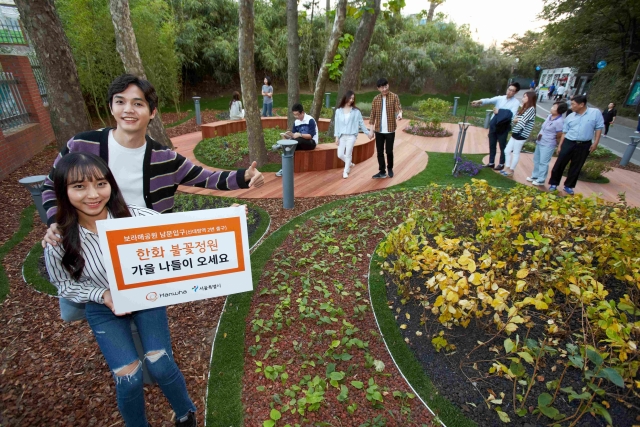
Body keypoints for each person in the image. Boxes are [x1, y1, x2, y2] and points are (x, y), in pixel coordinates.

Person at [42, 74, 264, 322]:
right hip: (90, 251)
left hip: (141, 253)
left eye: (138, 103)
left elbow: (207, 178)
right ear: (111, 107)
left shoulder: (164, 158)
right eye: (120, 102)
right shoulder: (82, 145)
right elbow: (51, 186)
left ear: (152, 112)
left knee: (142, 320)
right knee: (87, 311)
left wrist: (246, 175)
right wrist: (55, 221)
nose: (128, 110)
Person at [44, 152, 197, 427]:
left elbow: (182, 232)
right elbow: (64, 284)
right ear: (63, 191)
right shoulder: (58, 239)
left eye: (101, 183)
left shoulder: (135, 217)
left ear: (111, 185)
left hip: (145, 297)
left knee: (160, 363)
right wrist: (101, 295)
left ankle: (186, 413)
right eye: (79, 186)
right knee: (129, 378)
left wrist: (227, 221)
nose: (93, 194)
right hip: (102, 307)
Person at [548, 95, 604, 195]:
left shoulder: (595, 113)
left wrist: (596, 143)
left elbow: (599, 128)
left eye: (573, 104)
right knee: (560, 163)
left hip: (584, 144)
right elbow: (565, 132)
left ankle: (568, 186)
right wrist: (560, 145)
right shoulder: (570, 116)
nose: (571, 107)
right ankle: (553, 183)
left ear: (582, 104)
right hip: (569, 142)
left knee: (577, 166)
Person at [471, 82, 521, 170]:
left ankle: (501, 163)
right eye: (509, 89)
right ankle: (491, 162)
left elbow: (511, 115)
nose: (510, 92)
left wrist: (499, 112)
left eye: (512, 91)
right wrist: (479, 101)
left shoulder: (516, 103)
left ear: (515, 93)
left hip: (503, 127)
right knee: (492, 144)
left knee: (502, 146)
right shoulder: (500, 98)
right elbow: (489, 100)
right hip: (494, 124)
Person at [334, 90, 374, 179]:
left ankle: (345, 171)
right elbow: (337, 125)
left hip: (351, 136)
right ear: (345, 98)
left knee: (348, 154)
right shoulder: (338, 111)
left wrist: (368, 133)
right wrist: (336, 137)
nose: (351, 100)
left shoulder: (356, 112)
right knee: (340, 154)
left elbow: (362, 124)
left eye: (353, 98)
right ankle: (349, 163)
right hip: (341, 136)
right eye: (350, 98)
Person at [527, 101, 568, 186]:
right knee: (536, 159)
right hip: (540, 141)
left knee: (543, 162)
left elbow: (559, 134)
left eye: (554, 107)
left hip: (548, 143)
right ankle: (535, 176)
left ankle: (541, 179)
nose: (551, 108)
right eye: (552, 106)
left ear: (559, 110)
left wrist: (554, 140)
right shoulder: (549, 116)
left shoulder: (559, 121)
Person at [369, 78, 403, 179]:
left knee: (389, 151)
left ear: (388, 85)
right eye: (382, 87)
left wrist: (399, 114)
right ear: (378, 88)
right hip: (379, 130)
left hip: (390, 130)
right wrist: (371, 130)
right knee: (379, 152)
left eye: (386, 86)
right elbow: (372, 115)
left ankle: (390, 168)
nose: (384, 89)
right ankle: (382, 171)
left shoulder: (394, 97)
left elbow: (398, 108)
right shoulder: (376, 99)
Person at [275, 103, 318, 177]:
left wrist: (300, 135)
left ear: (302, 112)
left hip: (311, 143)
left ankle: (281, 145)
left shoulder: (310, 120)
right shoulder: (296, 122)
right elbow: (294, 136)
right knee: (289, 149)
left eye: (298, 114)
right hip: (299, 142)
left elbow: (310, 136)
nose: (296, 117)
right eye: (294, 115)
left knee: (298, 140)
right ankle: (284, 169)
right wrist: (288, 136)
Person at [501, 91, 537, 177]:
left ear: (530, 98)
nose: (523, 98)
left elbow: (522, 122)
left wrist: (516, 122)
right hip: (515, 133)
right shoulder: (523, 108)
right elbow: (514, 120)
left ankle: (511, 169)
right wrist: (515, 122)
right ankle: (507, 166)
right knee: (507, 150)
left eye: (525, 96)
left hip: (521, 134)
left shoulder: (531, 109)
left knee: (515, 153)